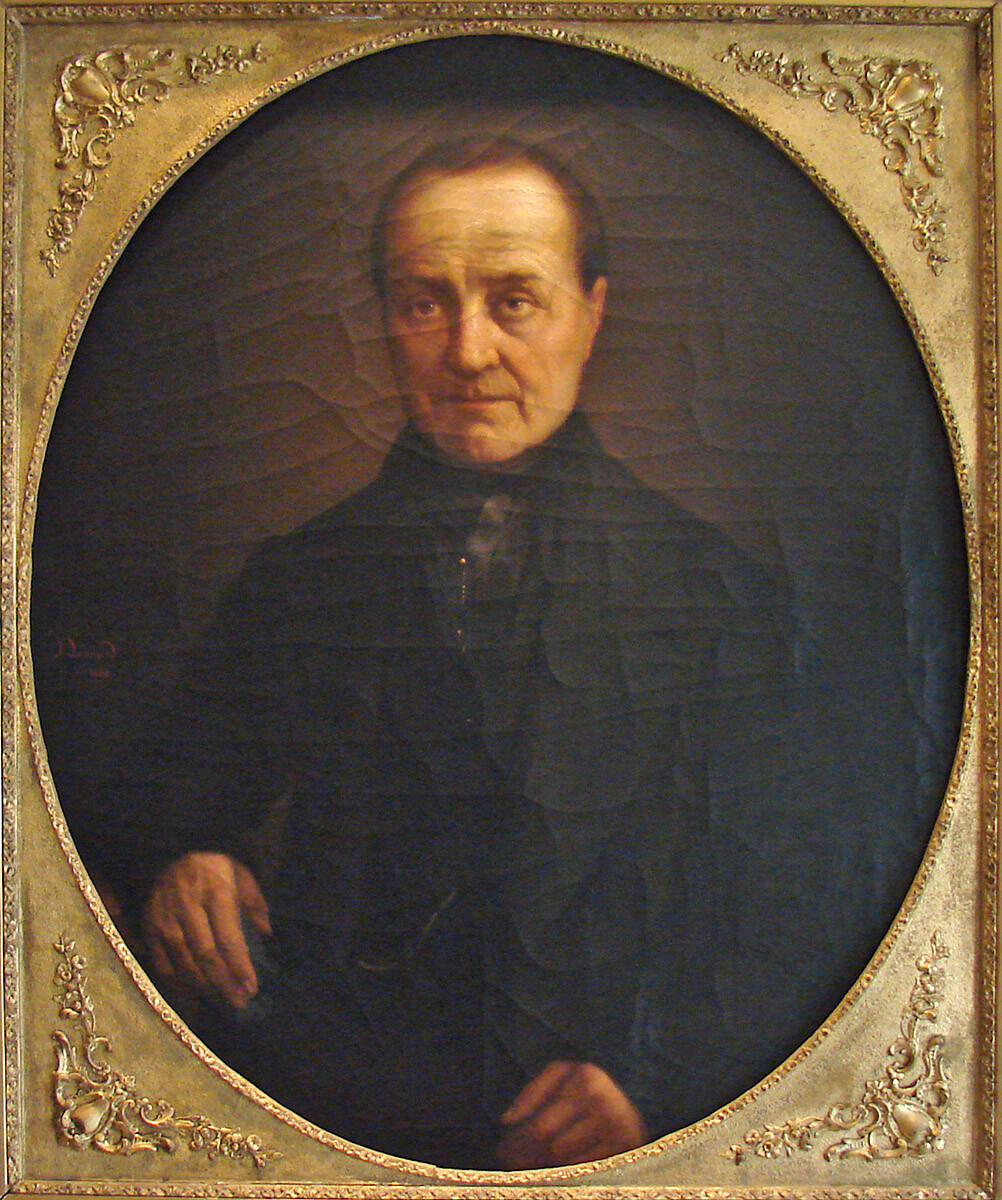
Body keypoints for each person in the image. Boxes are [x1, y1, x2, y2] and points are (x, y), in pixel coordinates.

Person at [125, 138, 949, 1170]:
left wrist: (658, 1080)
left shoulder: (724, 597)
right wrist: (187, 856)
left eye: (513, 300)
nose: (466, 351)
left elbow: (812, 904)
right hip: (329, 1123)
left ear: (591, 313)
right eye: (423, 303)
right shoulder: (298, 577)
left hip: (596, 1134)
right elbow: (152, 798)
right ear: (385, 321)